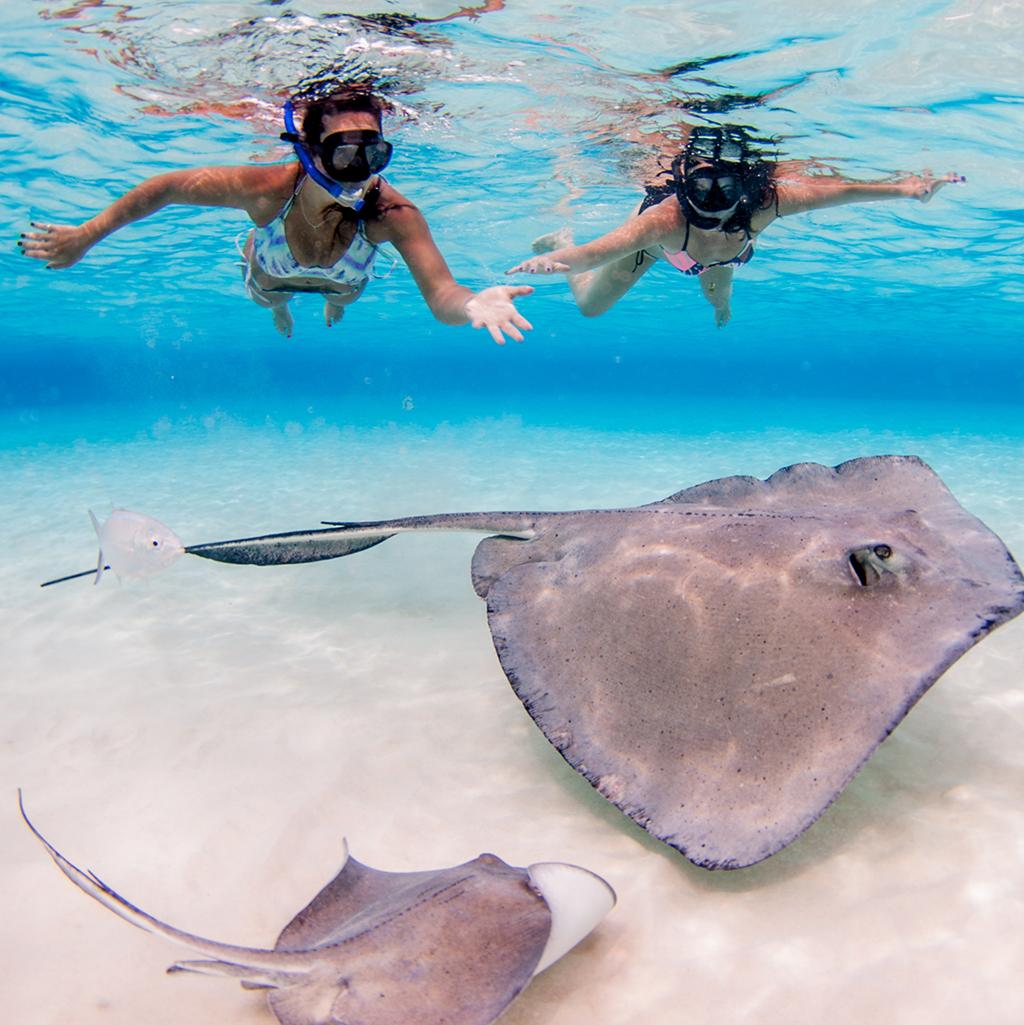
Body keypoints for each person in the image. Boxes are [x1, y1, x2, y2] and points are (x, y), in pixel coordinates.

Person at [18, 87, 533, 344]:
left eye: (373, 154)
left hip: (343, 278)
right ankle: (281, 310)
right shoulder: (267, 190)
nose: (359, 173)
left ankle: (330, 306)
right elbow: (168, 187)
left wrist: (470, 304)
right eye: (343, 153)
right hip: (274, 269)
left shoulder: (393, 213)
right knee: (270, 291)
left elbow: (440, 293)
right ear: (308, 151)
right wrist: (87, 234)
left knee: (343, 294)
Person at [507, 125, 962, 327]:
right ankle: (557, 233)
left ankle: (721, 309)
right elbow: (596, 253)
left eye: (726, 190)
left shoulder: (766, 203)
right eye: (701, 190)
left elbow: (841, 192)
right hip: (663, 250)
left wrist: (908, 190)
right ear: (683, 186)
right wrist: (554, 259)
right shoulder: (664, 220)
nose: (714, 203)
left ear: (745, 187)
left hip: (726, 257)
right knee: (590, 307)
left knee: (718, 296)